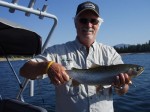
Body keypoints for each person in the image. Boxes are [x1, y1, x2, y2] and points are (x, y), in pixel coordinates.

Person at [20, 1, 131, 112]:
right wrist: (47, 66)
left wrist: (121, 86)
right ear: (75, 23)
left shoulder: (110, 53)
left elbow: (123, 91)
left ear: (99, 24)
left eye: (93, 20)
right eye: (83, 20)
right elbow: (24, 70)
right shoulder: (57, 51)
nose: (89, 25)